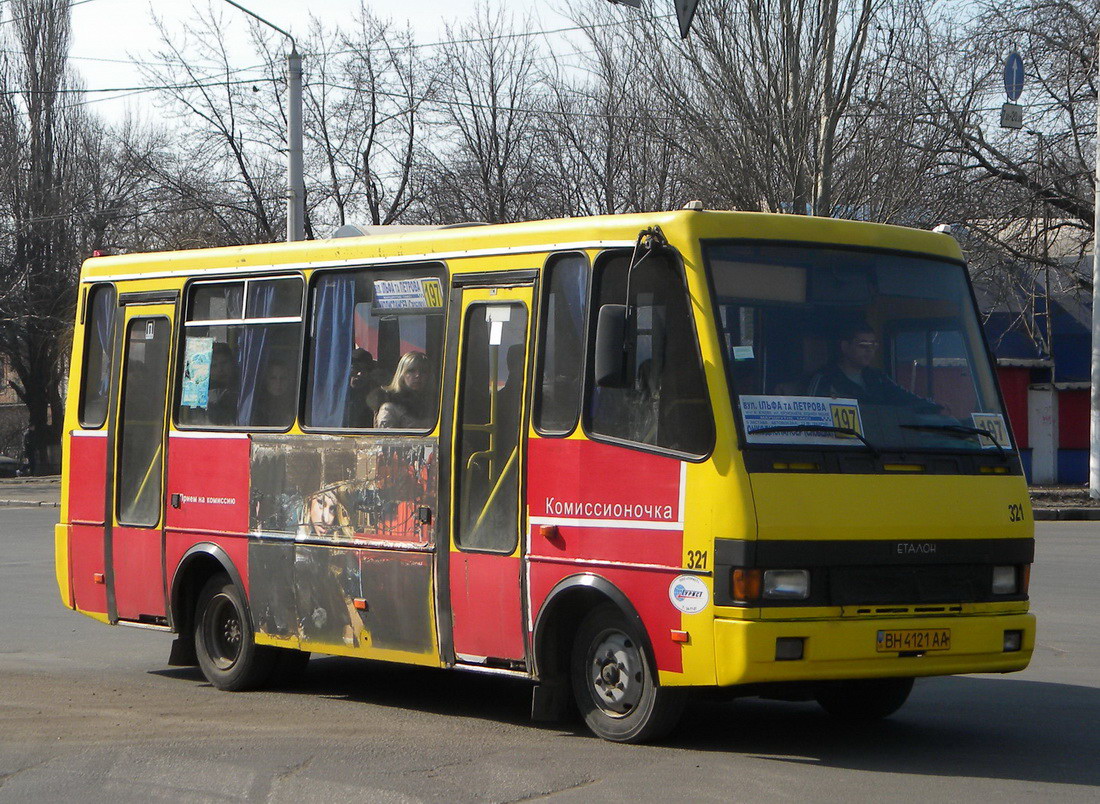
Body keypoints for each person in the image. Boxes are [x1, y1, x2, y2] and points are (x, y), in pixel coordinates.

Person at [806, 322, 939, 411]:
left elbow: (904, 398)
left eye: (873, 346)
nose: (870, 351)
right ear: (845, 347)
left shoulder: (878, 378)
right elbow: (812, 415)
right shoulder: (824, 379)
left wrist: (934, 407)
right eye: (863, 345)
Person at [376, 351, 433, 428]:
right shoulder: (389, 408)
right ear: (402, 374)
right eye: (411, 371)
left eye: (423, 371)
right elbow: (387, 439)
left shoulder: (436, 405)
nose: (417, 375)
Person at [346, 348, 381, 428]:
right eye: (355, 368)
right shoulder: (338, 398)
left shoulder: (374, 399)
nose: (360, 374)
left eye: (365, 370)